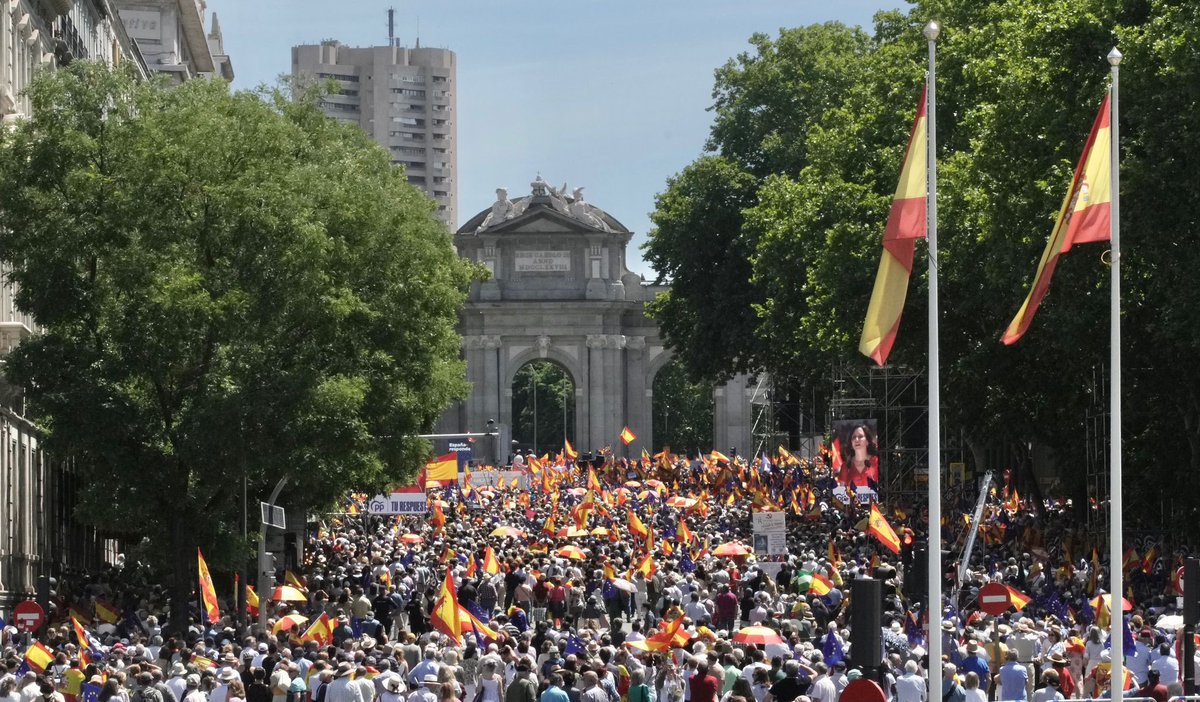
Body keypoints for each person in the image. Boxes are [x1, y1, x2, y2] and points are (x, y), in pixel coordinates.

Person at [835, 423, 879, 489]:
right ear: (851, 443)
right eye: (854, 437)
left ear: (867, 441)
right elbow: (842, 491)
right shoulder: (846, 466)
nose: (856, 440)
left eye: (860, 436)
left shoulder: (876, 461)